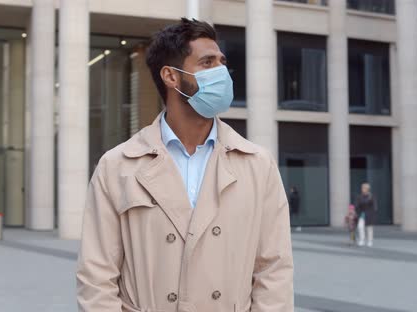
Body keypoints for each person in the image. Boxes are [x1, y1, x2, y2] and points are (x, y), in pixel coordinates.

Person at [76, 18, 294, 311]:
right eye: (207, 62)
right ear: (171, 76)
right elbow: (96, 277)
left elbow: (274, 270)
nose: (222, 72)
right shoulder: (117, 166)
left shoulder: (258, 165)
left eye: (222, 62)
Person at [355, 182, 377, 247]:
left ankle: (370, 241)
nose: (362, 189)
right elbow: (357, 204)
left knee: (369, 228)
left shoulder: (371, 196)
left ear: (367, 189)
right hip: (362, 214)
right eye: (362, 188)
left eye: (364, 188)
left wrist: (373, 212)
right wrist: (357, 210)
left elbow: (374, 206)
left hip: (369, 214)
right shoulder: (359, 196)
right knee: (360, 227)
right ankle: (362, 240)